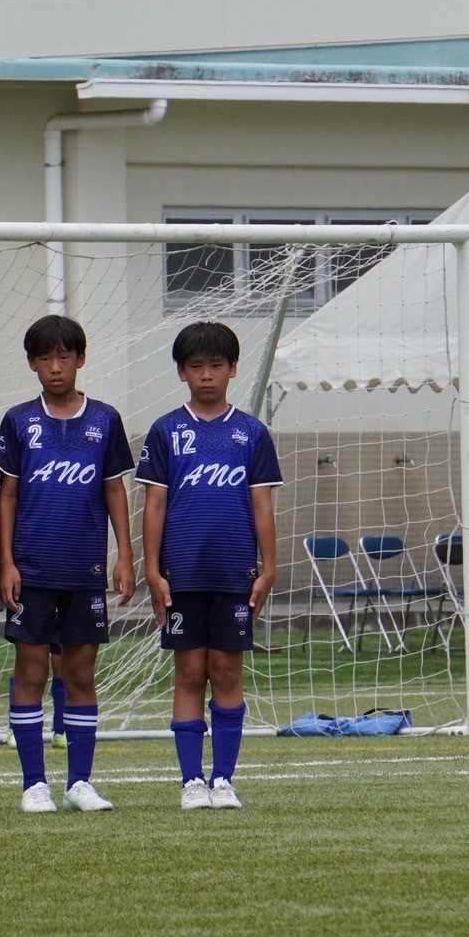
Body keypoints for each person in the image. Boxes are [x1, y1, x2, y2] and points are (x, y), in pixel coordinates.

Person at [135, 321, 281, 810]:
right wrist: (152, 570)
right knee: (191, 673)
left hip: (234, 574)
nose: (206, 375)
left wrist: (269, 567)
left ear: (233, 369)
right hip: (183, 575)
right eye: (196, 366)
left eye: (216, 365)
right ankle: (191, 781)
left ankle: (223, 779)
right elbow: (154, 505)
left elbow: (262, 505)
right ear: (182, 372)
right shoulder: (166, 431)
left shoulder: (252, 433)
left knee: (227, 671)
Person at [0, 315, 136, 813]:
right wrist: (6, 562)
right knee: (31, 673)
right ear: (32, 363)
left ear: (80, 359)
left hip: (84, 572)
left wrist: (125, 554)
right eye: (45, 358)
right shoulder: (18, 421)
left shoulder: (105, 419)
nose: (55, 367)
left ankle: (80, 783)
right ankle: (34, 785)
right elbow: (7, 494)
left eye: (64, 357)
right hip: (31, 571)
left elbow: (114, 489)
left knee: (80, 674)